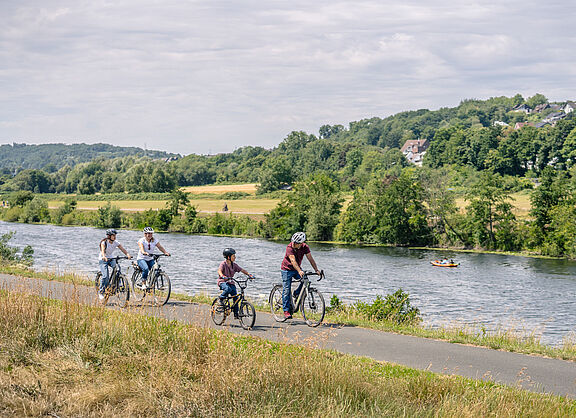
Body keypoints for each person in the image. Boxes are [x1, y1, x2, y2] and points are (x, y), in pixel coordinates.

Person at [280, 232, 321, 319]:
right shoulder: (289, 247)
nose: (294, 244)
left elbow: (310, 259)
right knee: (286, 290)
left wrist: (316, 270)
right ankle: (286, 310)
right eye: (294, 242)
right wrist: (299, 271)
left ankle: (296, 293)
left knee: (306, 281)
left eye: (296, 243)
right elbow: (293, 261)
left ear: (301, 243)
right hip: (286, 269)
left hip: (296, 269)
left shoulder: (305, 247)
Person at [218, 248, 254, 318]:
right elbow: (219, 270)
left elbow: (242, 270)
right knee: (227, 289)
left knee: (236, 297)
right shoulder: (223, 264)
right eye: (233, 256)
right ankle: (221, 299)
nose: (235, 257)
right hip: (222, 281)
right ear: (228, 257)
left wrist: (249, 274)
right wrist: (222, 276)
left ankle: (236, 313)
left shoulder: (234, 265)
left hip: (230, 282)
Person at [98, 229, 131, 301]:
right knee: (105, 276)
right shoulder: (104, 242)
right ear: (109, 236)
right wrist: (104, 256)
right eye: (113, 235)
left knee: (117, 268)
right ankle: (101, 291)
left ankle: (118, 284)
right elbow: (102, 251)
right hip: (103, 259)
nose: (115, 237)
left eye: (115, 235)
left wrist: (127, 254)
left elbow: (123, 249)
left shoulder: (116, 242)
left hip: (111, 258)